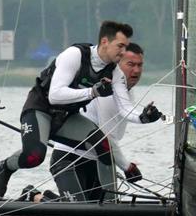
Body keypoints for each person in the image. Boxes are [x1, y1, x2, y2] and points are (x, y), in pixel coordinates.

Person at [0, 21, 163, 200]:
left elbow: (125, 109)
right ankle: (4, 167)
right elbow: (55, 95)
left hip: (66, 117)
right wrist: (93, 91)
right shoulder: (75, 55)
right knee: (34, 157)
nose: (122, 51)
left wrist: (144, 117)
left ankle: (111, 202)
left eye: (125, 46)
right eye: (120, 46)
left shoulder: (115, 73)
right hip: (40, 109)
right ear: (105, 42)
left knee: (102, 145)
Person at [48, 42, 152, 201]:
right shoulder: (108, 92)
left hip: (98, 161)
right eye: (131, 64)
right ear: (116, 64)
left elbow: (114, 136)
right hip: (69, 159)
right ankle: (34, 196)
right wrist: (127, 166)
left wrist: (145, 117)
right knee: (78, 213)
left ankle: (48, 197)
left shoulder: (126, 93)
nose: (136, 71)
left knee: (104, 210)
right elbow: (106, 138)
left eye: (140, 65)